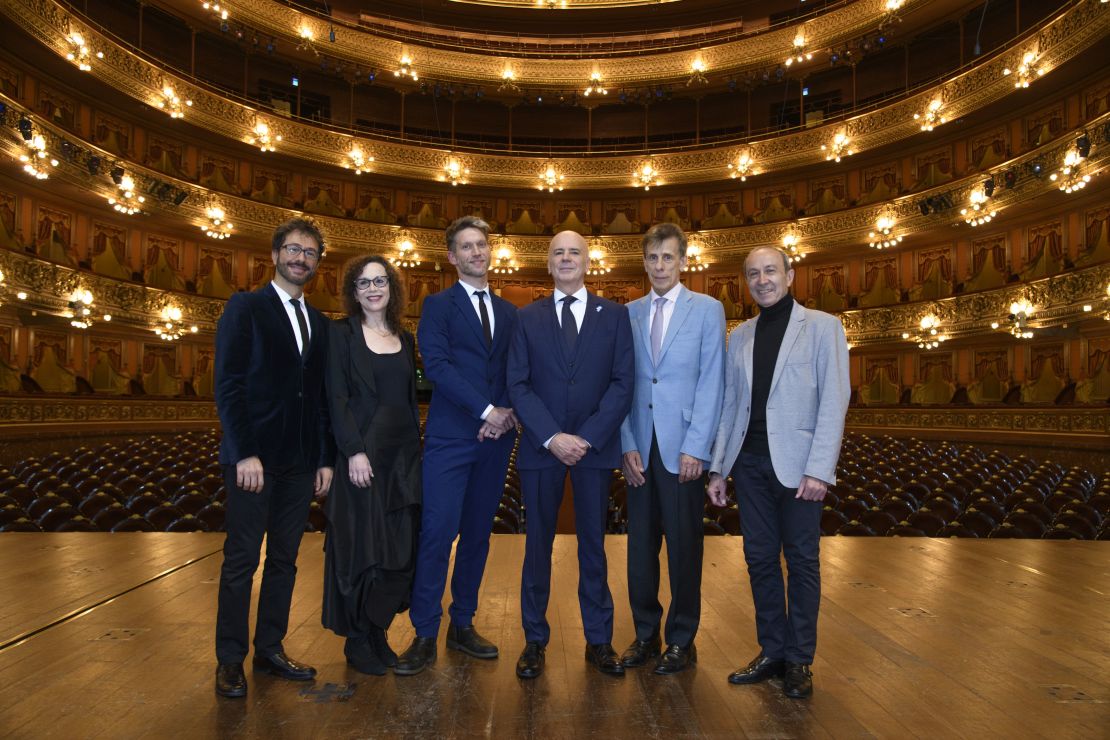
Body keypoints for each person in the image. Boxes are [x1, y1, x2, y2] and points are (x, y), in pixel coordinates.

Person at [707, 245, 850, 699]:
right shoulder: (741, 335)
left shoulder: (824, 327)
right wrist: (717, 468)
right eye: (754, 273)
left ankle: (800, 660)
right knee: (760, 560)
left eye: (771, 270)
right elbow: (732, 405)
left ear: (790, 275)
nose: (762, 279)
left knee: (803, 563)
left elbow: (834, 400)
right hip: (749, 464)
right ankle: (772, 650)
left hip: (800, 467)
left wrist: (820, 469)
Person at [213, 217, 335, 698]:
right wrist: (244, 452)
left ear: (317, 263)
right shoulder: (245, 307)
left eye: (309, 252)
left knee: (285, 561)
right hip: (254, 462)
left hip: (301, 464)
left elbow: (322, 399)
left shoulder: (321, 324)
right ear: (275, 255)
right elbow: (229, 385)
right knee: (241, 561)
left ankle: (270, 649)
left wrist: (325, 460)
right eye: (292, 249)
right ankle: (228, 660)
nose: (300, 258)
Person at [507, 230, 634, 679]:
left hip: (594, 452)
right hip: (543, 451)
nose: (566, 259)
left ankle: (599, 640)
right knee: (536, 546)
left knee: (593, 548)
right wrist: (552, 437)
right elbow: (517, 384)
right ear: (548, 262)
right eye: (558, 252)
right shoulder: (526, 318)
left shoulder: (615, 316)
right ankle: (534, 641)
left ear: (587, 262)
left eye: (574, 252)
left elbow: (623, 383)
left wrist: (588, 437)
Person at [394, 216, 518, 675]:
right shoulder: (438, 305)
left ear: (490, 250)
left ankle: (462, 624)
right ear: (452, 256)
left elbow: (515, 370)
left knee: (478, 536)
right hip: (451, 436)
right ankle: (424, 631)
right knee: (437, 534)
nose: (476, 253)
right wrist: (487, 411)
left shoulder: (509, 313)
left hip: (495, 440)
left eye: (481, 245)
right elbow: (439, 366)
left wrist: (504, 413)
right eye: (466, 247)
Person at [618, 223, 724, 675]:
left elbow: (712, 381)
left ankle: (682, 638)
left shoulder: (707, 309)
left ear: (683, 261)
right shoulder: (628, 313)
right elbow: (619, 385)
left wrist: (697, 447)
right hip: (640, 449)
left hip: (684, 449)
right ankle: (646, 634)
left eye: (668, 258)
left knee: (684, 548)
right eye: (652, 258)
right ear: (644, 263)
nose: (660, 266)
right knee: (639, 550)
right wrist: (625, 444)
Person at [322, 255, 421, 676]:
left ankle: (378, 629)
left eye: (380, 281)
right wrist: (353, 451)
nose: (373, 288)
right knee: (362, 550)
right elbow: (336, 398)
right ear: (354, 292)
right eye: (364, 283)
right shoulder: (341, 334)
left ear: (392, 288)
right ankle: (359, 641)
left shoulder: (406, 337)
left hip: (404, 458)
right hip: (363, 456)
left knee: (399, 551)